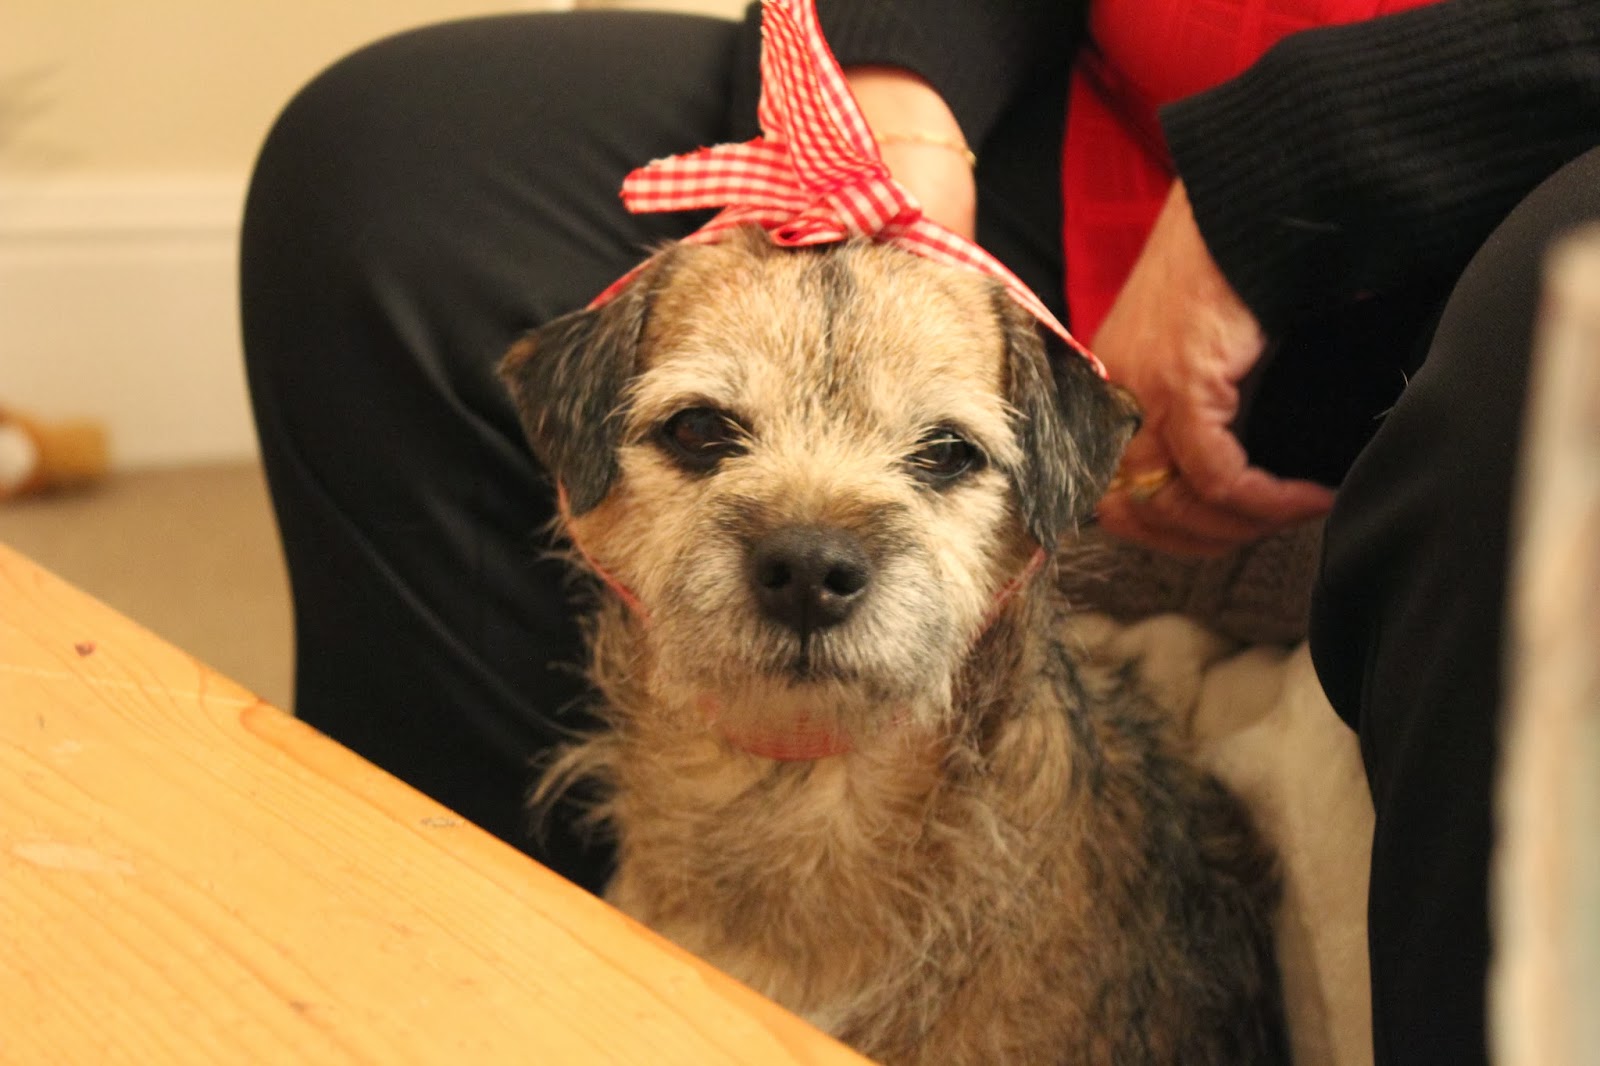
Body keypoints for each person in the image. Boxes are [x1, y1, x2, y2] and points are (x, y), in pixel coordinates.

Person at [239, 2, 1600, 1063]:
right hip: (1085, 123)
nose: (810, 546)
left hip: (1498, 177)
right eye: (703, 433)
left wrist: (1293, 167)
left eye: (944, 455)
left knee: (1543, 381)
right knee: (384, 168)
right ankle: (471, 966)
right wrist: (900, 84)